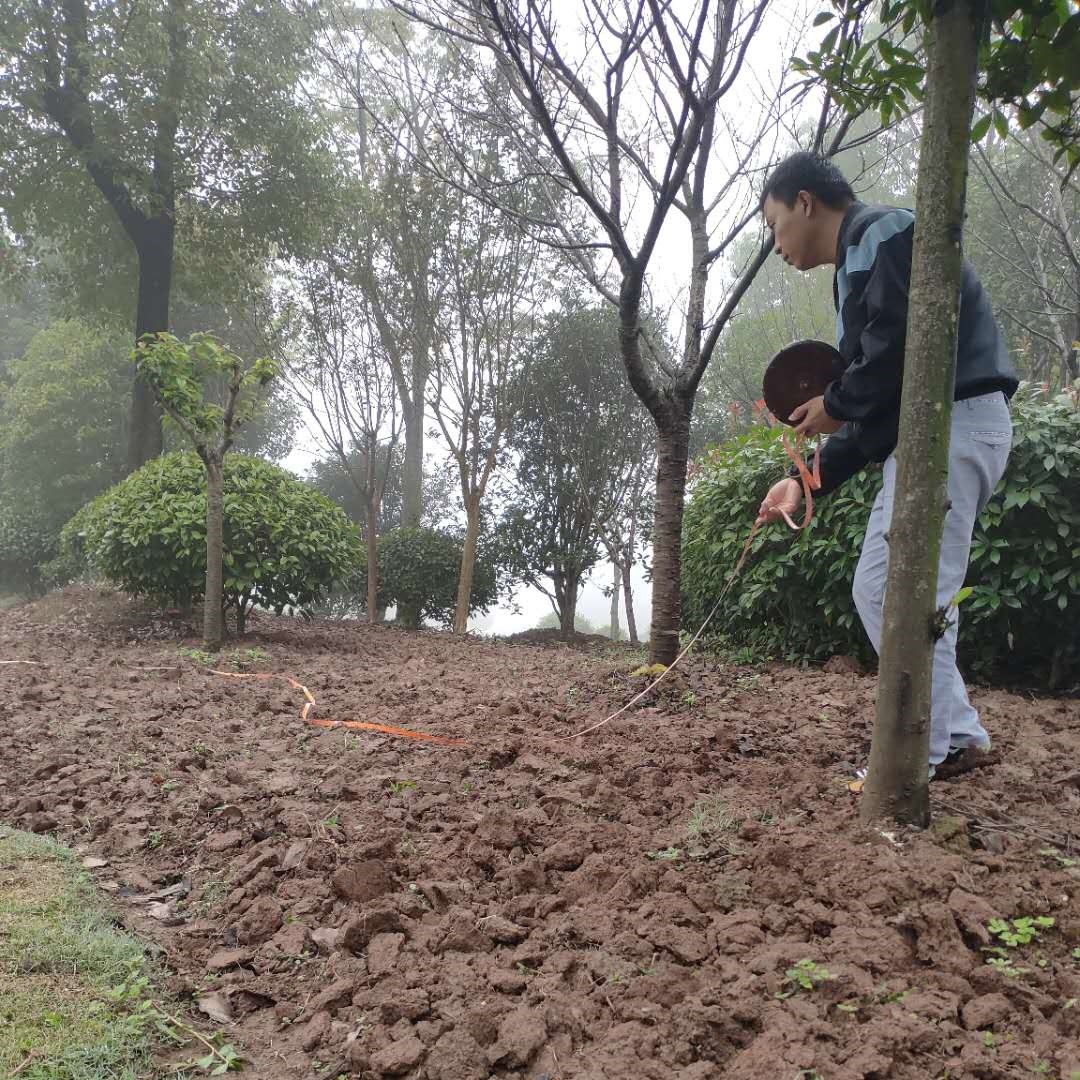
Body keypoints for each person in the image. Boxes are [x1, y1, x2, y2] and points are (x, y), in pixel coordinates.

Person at [756, 152, 1018, 781]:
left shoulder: (882, 231)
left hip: (953, 423)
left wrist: (836, 401)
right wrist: (803, 480)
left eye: (773, 225)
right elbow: (879, 406)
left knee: (899, 592)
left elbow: (897, 343)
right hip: (934, 429)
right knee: (898, 590)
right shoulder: (857, 261)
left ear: (804, 203)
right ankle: (957, 736)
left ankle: (917, 755)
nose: (775, 245)